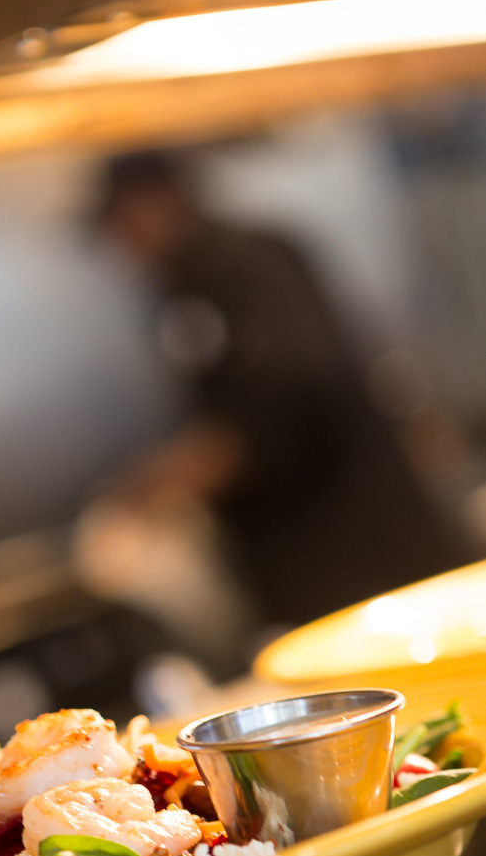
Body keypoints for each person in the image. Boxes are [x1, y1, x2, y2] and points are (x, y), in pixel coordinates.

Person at [89, 150, 474, 635]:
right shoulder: (178, 289)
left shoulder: (248, 260)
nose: (122, 245)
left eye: (122, 223)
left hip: (359, 543)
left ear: (160, 200)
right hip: (296, 566)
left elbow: (295, 392)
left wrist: (177, 475)